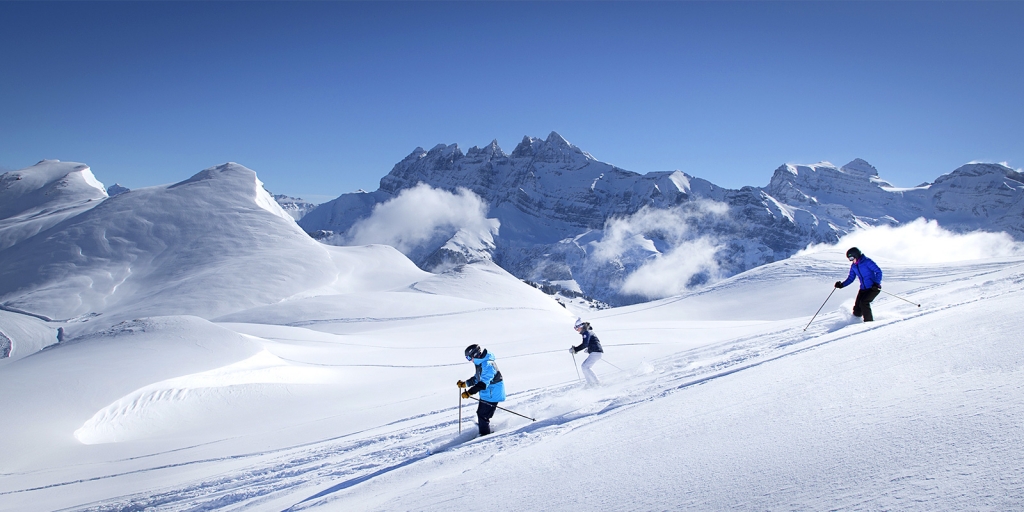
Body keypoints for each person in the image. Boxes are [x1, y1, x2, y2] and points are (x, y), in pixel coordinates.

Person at [457, 344, 506, 436]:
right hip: (488, 393)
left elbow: (483, 384)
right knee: (481, 413)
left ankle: (484, 434)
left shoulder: (487, 365)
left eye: (468, 358)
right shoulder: (481, 363)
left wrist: (469, 393)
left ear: (474, 355)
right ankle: (483, 427)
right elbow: (477, 378)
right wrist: (465, 384)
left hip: (493, 394)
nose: (469, 360)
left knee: (483, 415)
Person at [835, 247, 883, 322]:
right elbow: (851, 278)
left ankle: (869, 322)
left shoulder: (867, 262)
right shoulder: (854, 266)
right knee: (857, 309)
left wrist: (876, 283)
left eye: (851, 258)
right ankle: (855, 322)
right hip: (863, 289)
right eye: (849, 259)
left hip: (873, 288)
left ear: (856, 255)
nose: (850, 260)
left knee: (864, 303)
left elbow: (878, 271)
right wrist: (842, 285)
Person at [571, 318, 604, 386]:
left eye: (576, 328)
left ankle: (595, 383)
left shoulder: (586, 332)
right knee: (585, 366)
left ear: (580, 326)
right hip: (596, 352)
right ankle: (591, 383)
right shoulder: (587, 331)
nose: (577, 330)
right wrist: (589, 349)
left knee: (585, 367)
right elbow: (589, 343)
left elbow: (585, 344)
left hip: (596, 352)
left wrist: (575, 349)